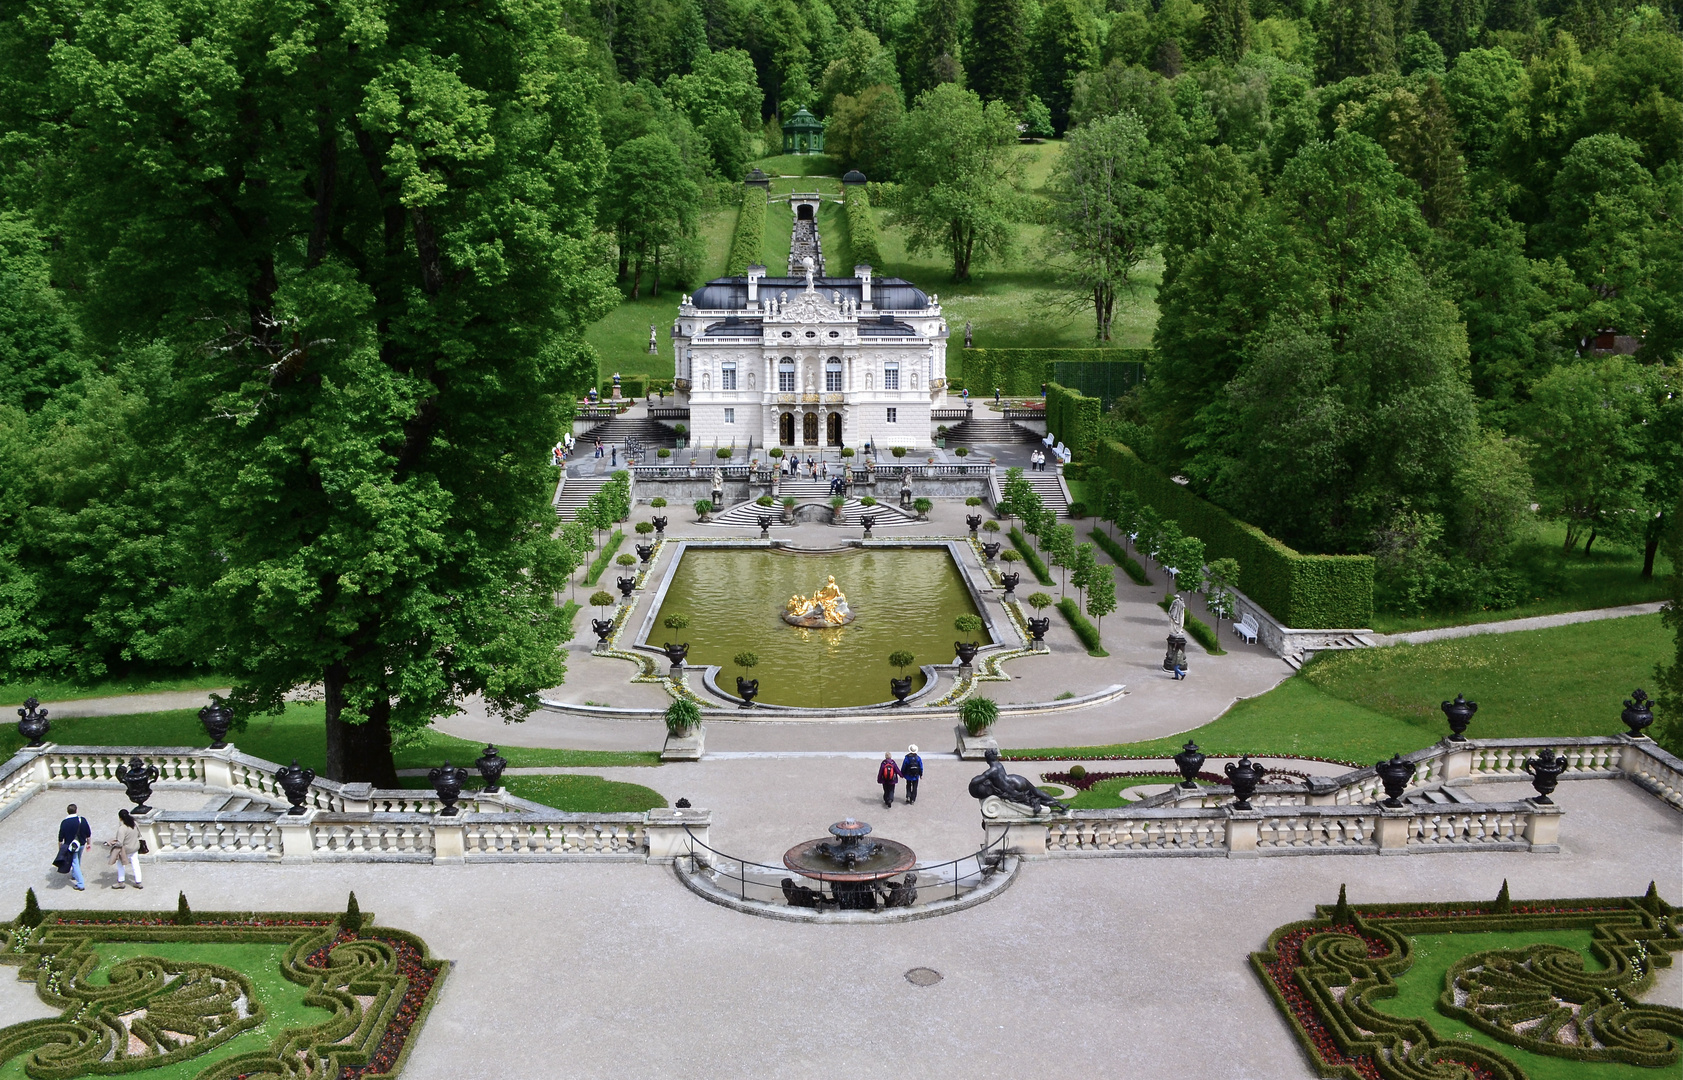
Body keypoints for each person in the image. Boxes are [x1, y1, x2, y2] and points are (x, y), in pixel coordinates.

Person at [55, 804, 91, 891]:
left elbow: (60, 838)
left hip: (71, 846)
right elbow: (88, 833)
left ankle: (80, 883)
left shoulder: (64, 822)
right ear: (76, 810)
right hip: (81, 844)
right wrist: (89, 843)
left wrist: (61, 849)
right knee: (78, 859)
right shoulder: (82, 820)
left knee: (75, 863)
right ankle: (75, 874)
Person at [105, 809, 143, 889]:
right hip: (135, 847)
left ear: (120, 818)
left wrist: (111, 843)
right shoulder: (135, 824)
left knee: (121, 865)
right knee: (136, 864)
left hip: (125, 850)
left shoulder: (122, 828)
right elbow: (139, 835)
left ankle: (121, 882)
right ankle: (138, 882)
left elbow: (120, 843)